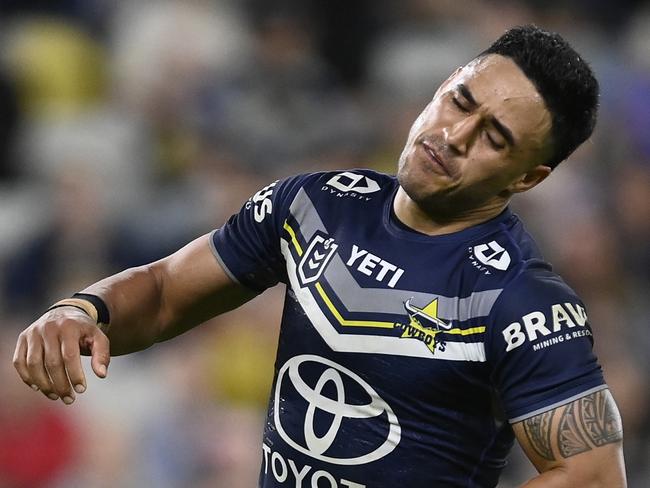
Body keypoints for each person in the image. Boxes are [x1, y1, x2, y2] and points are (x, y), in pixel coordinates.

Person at [13, 25, 627, 487]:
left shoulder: (519, 298)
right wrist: (84, 309)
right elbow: (167, 290)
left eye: (494, 138)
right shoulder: (317, 205)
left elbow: (594, 473)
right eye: (459, 101)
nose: (453, 136)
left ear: (529, 178)